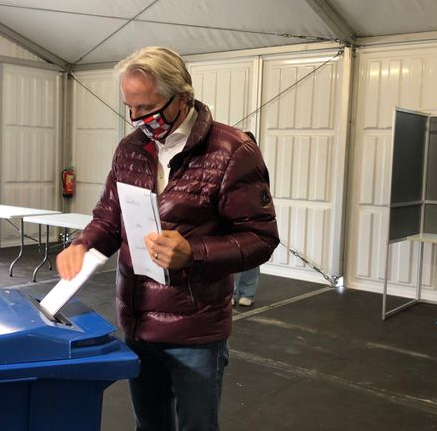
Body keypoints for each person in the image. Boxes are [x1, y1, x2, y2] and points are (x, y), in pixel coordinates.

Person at [56, 46, 278, 431]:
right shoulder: (130, 149)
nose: (138, 118)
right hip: (137, 319)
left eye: (147, 107)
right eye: (130, 107)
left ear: (183, 96)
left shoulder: (232, 151)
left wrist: (193, 253)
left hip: (194, 329)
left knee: (197, 425)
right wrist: (82, 244)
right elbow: (109, 217)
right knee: (150, 424)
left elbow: (261, 238)